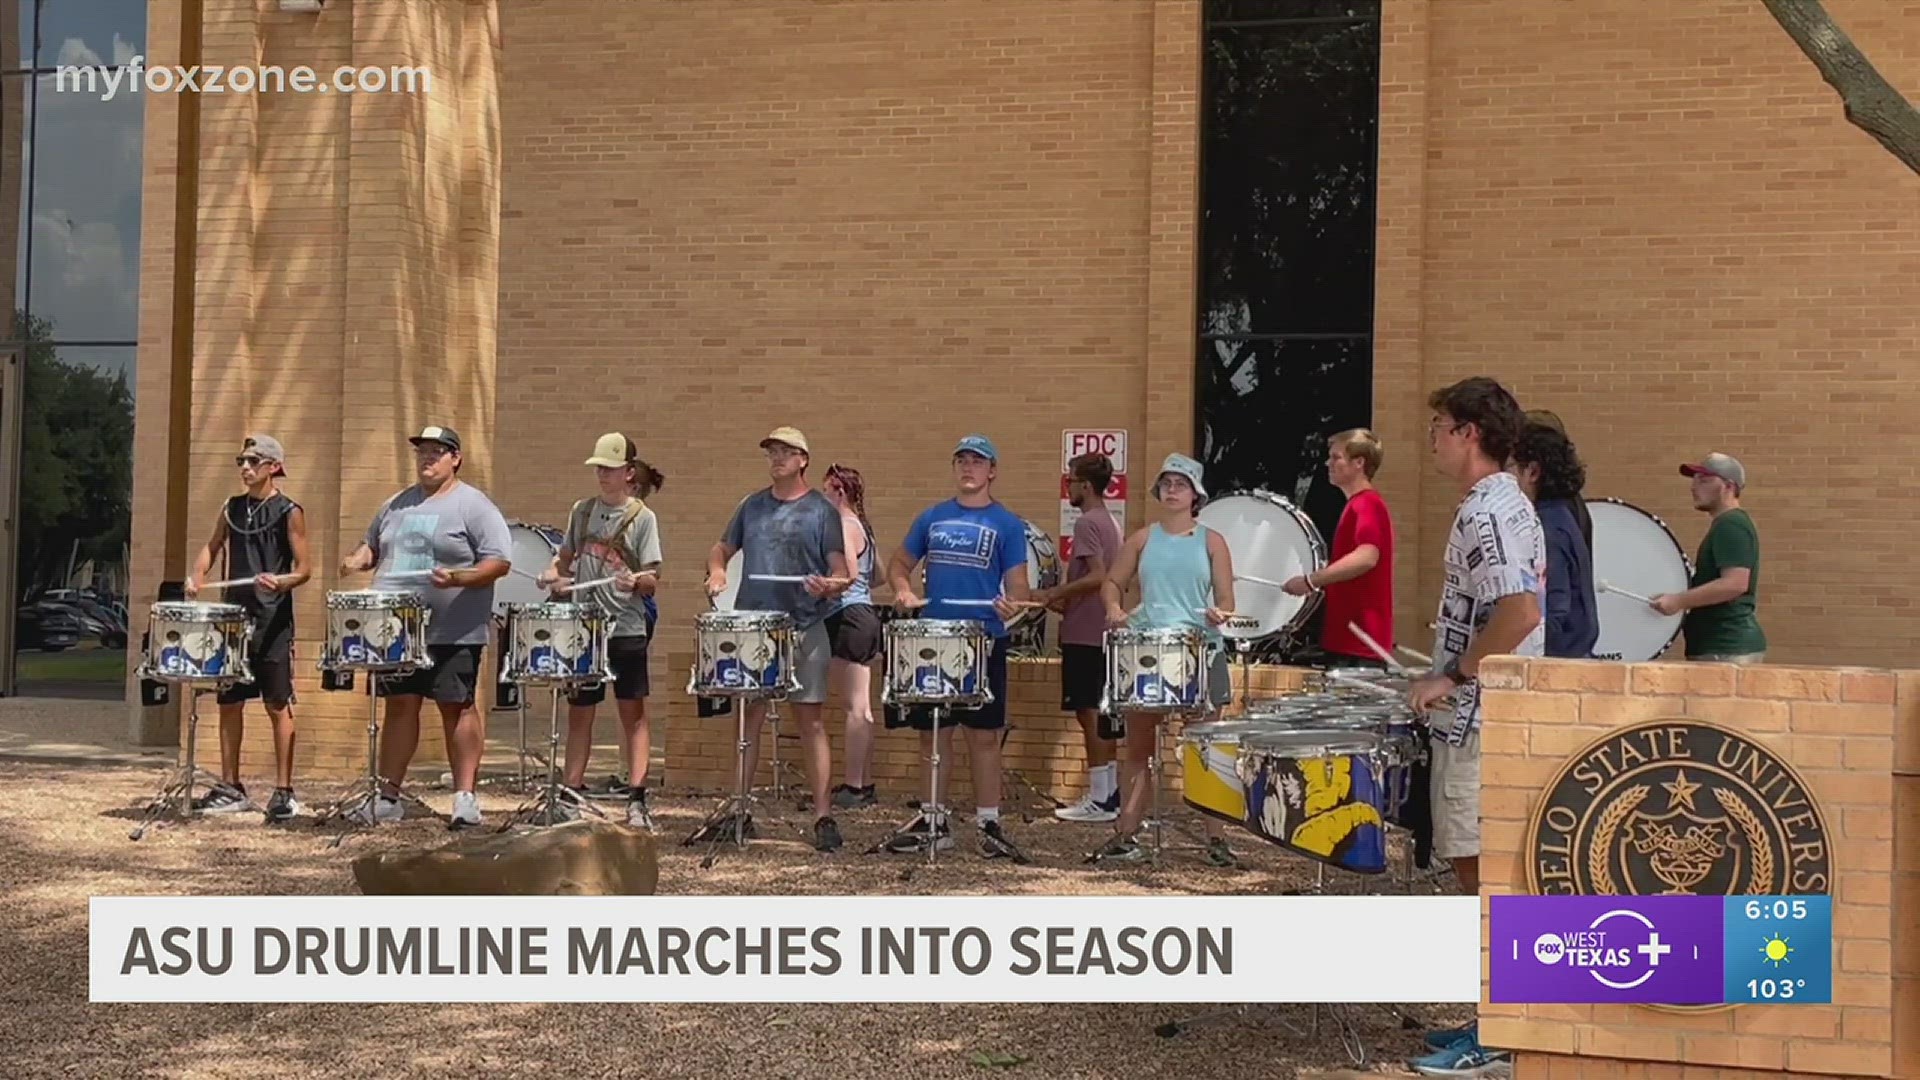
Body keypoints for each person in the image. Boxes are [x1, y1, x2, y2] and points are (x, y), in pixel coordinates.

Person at [1405, 379, 1543, 1079]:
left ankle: (1502, 1035)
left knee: (1482, 873)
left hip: (1484, 719)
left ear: (1468, 433)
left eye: (1438, 424)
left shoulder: (1486, 515)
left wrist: (1449, 677)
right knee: (1485, 872)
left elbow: (1517, 612)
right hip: (1492, 717)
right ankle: (1496, 1013)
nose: (1430, 437)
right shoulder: (1502, 505)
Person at [338, 425, 513, 830]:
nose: (427, 459)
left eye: (437, 452)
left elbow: (498, 561)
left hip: (453, 629)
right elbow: (373, 547)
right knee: (400, 707)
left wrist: (458, 578)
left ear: (456, 459)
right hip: (395, 633)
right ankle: (387, 798)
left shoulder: (474, 506)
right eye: (422, 452)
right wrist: (356, 559)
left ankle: (465, 798)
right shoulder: (396, 504)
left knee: (457, 707)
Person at [884, 435, 1033, 862]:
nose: (968, 468)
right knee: (933, 735)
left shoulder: (1006, 524)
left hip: (983, 640)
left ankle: (988, 823)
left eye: (978, 461)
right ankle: (934, 822)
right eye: (962, 460)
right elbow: (899, 564)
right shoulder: (932, 517)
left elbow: (1019, 589)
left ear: (992, 471)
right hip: (933, 641)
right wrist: (903, 591)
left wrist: (1010, 605)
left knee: (984, 737)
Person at [704, 427, 851, 852]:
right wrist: (717, 570)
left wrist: (831, 586)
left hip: (805, 626)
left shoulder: (822, 511)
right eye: (772, 452)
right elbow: (721, 549)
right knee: (745, 723)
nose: (777, 458)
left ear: (803, 459)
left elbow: (841, 570)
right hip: (754, 629)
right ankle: (738, 810)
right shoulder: (752, 506)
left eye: (786, 452)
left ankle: (824, 816)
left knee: (811, 722)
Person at [1089, 453, 1237, 867]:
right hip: (1147, 647)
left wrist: (1219, 612)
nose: (1172, 490)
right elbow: (1113, 582)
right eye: (1167, 483)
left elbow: (1227, 599)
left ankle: (1216, 839)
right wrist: (1115, 609)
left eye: (1181, 484)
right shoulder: (1141, 538)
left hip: (1200, 648)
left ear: (1196, 495)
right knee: (1138, 749)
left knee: (1207, 747)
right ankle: (1126, 833)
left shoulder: (1212, 540)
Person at [183, 435, 312, 823]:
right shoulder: (231, 508)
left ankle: (284, 792)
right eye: (242, 460)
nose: (245, 467)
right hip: (234, 619)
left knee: (277, 703)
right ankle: (230, 787)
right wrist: (197, 575)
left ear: (274, 466)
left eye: (254, 461)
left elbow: (305, 569)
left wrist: (283, 581)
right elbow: (213, 546)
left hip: (273, 620)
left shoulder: (290, 510)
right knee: (230, 701)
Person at [537, 433, 663, 830]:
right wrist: (554, 574)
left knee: (633, 713)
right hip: (584, 630)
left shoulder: (643, 518)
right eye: (599, 469)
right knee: (580, 713)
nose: (603, 476)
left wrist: (634, 582)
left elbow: (653, 579)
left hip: (626, 628)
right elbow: (566, 559)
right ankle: (571, 793)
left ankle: (637, 797)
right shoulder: (583, 511)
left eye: (609, 469)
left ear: (628, 473)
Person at [1036, 451, 1122, 823]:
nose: (1067, 487)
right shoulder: (1110, 521)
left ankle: (1101, 799)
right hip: (1098, 629)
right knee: (1099, 714)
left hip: (1087, 635)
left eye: (1071, 480)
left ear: (1085, 486)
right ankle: (1109, 794)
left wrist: (1053, 593)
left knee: (1089, 715)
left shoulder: (1088, 522)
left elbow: (1098, 576)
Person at [1283, 429, 1395, 668]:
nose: (1328, 463)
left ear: (1359, 463)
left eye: (1336, 457)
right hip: (1349, 641)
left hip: (1361, 644)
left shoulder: (1367, 504)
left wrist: (1312, 580)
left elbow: (1367, 556)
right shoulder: (1356, 504)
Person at [1651, 453, 1765, 664]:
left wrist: (1678, 601)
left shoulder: (1732, 525)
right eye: (1694, 480)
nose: (1694, 487)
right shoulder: (1727, 524)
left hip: (1726, 648)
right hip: (1719, 647)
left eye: (1704, 480)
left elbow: (1735, 584)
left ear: (1729, 487)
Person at [822, 463, 885, 809]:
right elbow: (877, 576)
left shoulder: (843, 526)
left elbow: (848, 572)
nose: (823, 497)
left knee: (855, 707)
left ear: (839, 492)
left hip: (846, 614)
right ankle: (864, 781)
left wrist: (817, 585)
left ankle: (854, 785)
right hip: (863, 612)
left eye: (827, 490)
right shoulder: (864, 527)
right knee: (860, 705)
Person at [1509, 423, 1598, 659]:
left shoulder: (1547, 526)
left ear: (1532, 472)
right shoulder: (1562, 514)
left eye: (1509, 467)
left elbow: (1554, 610)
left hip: (1558, 661)